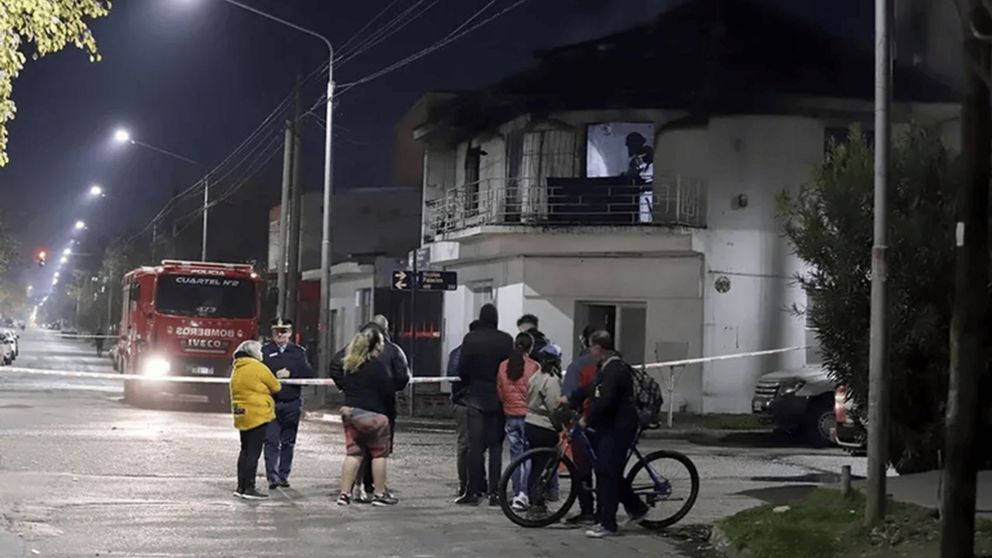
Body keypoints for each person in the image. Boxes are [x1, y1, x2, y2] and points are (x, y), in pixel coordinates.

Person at [570, 331, 649, 538]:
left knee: (606, 472)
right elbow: (592, 387)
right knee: (607, 470)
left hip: (619, 427)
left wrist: (587, 419)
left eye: (591, 348)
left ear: (598, 348)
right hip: (609, 426)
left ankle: (608, 523)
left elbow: (606, 399)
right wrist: (572, 397)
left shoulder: (615, 369)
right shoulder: (605, 367)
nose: (590, 352)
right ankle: (636, 507)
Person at [455, 303, 513, 506]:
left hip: (475, 396)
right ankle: (495, 492)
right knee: (496, 447)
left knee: (475, 447)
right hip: (498, 398)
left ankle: (473, 491)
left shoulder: (471, 339)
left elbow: (462, 370)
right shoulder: (506, 339)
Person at [333, 328, 398, 507]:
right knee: (378, 455)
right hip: (375, 415)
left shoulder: (350, 364)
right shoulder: (378, 365)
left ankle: (344, 494)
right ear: (376, 345)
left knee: (353, 454)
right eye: (381, 344)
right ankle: (379, 494)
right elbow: (388, 389)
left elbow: (341, 379)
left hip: (351, 413)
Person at [356, 315, 410, 501]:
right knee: (379, 450)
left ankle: (358, 486)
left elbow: (337, 367)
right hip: (384, 407)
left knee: (359, 449)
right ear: (385, 331)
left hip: (357, 406)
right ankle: (377, 488)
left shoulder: (354, 348)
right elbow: (403, 377)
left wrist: (348, 389)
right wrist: (391, 388)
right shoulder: (393, 351)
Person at [262, 318, 314, 490]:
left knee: (288, 441)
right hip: (271, 402)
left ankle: (283, 475)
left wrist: (291, 373)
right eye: (277, 330)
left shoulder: (298, 352)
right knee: (270, 441)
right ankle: (272, 477)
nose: (280, 334)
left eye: (284, 331)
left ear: (290, 333)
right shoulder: (265, 351)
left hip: (291, 402)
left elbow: (307, 375)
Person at [229, 339, 281, 500]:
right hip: (257, 414)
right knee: (254, 452)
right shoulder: (258, 367)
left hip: (241, 413)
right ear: (254, 352)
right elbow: (276, 386)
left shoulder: (237, 367)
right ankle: (249, 488)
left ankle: (241, 486)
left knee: (244, 450)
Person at [561, 324, 600, 524]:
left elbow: (570, 395)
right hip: (609, 423)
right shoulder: (614, 363)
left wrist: (567, 419)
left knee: (583, 469)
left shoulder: (578, 365)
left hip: (585, 422)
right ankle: (605, 508)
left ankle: (587, 510)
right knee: (606, 467)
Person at [496, 332, 540, 510]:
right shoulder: (534, 366)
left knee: (515, 457)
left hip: (510, 415)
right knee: (528, 455)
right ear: (530, 348)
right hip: (529, 417)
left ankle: (516, 493)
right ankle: (524, 493)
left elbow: (499, 391)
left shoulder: (503, 366)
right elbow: (537, 393)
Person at [524, 343, 566, 512]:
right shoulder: (552, 380)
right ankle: (538, 500)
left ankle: (533, 498)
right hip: (545, 425)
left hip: (530, 422)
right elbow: (554, 408)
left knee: (535, 465)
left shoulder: (535, 377)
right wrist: (559, 426)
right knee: (544, 467)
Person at [448, 320, 482, 497]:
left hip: (467, 402)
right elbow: (454, 376)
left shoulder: (457, 352)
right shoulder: (461, 354)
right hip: (466, 403)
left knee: (471, 445)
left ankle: (473, 483)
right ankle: (466, 484)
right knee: (466, 445)